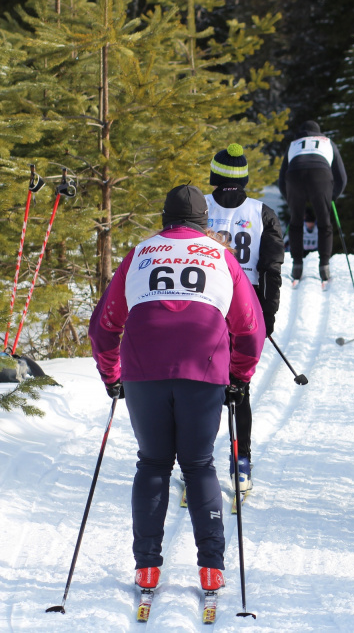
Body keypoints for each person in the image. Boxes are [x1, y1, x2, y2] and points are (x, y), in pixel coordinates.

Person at [89, 184, 266, 597]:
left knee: (152, 464)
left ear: (164, 218)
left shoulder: (140, 253)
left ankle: (147, 568)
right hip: (202, 369)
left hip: (144, 371)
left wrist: (112, 376)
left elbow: (104, 328)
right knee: (199, 464)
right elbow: (250, 330)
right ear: (204, 221)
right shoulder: (221, 255)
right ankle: (211, 570)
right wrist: (239, 377)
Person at [205, 143, 285, 494]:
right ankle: (242, 463)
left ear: (214, 175)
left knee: (204, 384)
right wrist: (267, 315)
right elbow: (272, 269)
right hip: (244, 305)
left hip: (207, 303)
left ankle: (201, 461)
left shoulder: (199, 207)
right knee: (239, 387)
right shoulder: (262, 212)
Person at [278, 120, 348, 283]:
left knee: (296, 223)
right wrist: (332, 197)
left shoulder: (293, 144)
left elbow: (281, 178)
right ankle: (324, 266)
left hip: (295, 176)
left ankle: (297, 265)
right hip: (321, 175)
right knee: (325, 223)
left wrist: (289, 199)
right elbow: (341, 177)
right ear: (319, 132)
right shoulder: (327, 142)